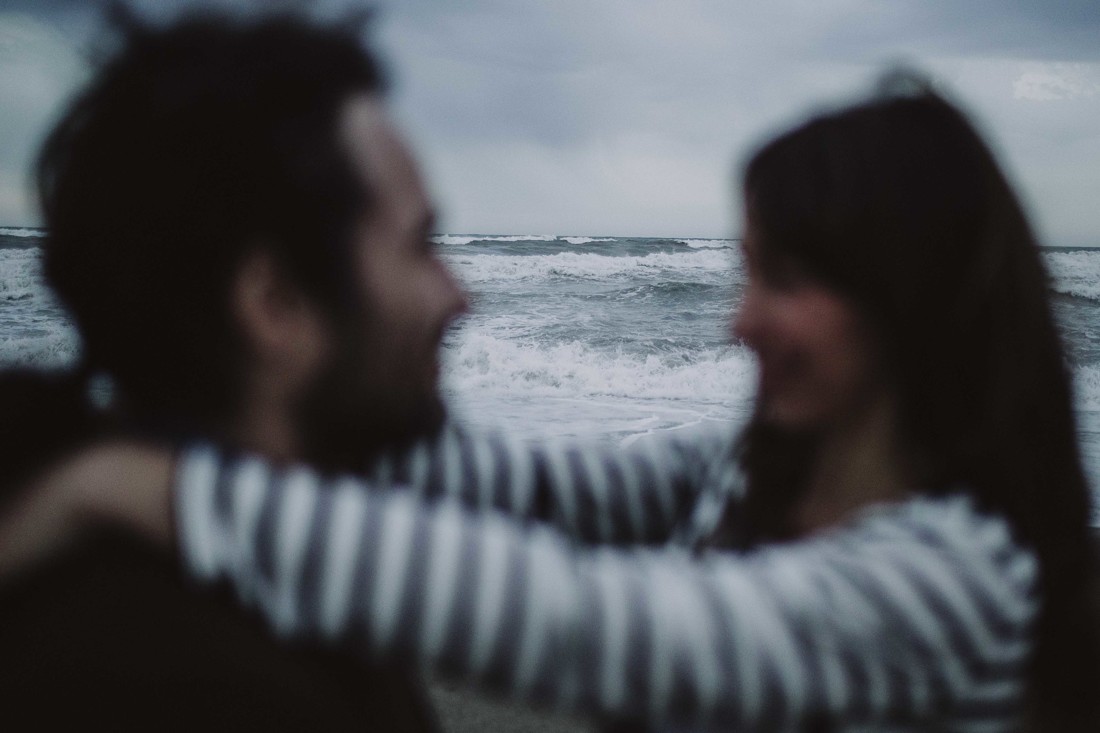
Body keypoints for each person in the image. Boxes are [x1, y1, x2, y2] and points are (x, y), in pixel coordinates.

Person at [13, 75, 1098, 730]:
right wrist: (171, 417)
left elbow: (597, 625)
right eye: (742, 272)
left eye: (782, 280)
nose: (737, 321)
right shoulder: (759, 463)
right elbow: (516, 487)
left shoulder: (955, 576)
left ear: (906, 303)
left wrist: (159, 489)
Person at [0, 8, 465, 729]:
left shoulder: (268, 568)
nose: (459, 294)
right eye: (419, 245)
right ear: (273, 303)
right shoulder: (202, 685)